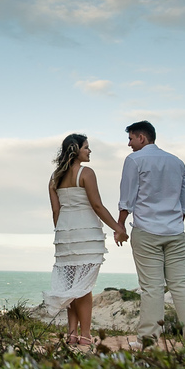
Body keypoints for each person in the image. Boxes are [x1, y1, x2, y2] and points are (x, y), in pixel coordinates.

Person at [115, 121, 185, 348]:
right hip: (175, 233)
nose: (129, 144)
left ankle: (149, 341)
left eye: (131, 139)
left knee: (152, 288)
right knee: (181, 286)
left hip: (146, 232)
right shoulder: (178, 162)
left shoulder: (134, 160)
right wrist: (171, 224)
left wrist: (120, 226)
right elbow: (184, 205)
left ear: (142, 138)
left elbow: (127, 198)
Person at [43, 133, 127, 346]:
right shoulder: (86, 173)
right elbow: (97, 206)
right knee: (84, 286)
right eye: (86, 147)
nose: (89, 151)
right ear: (75, 149)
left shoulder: (54, 177)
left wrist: (62, 235)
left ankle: (71, 334)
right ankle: (86, 336)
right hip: (87, 234)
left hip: (65, 235)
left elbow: (56, 211)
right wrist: (118, 228)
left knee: (72, 286)